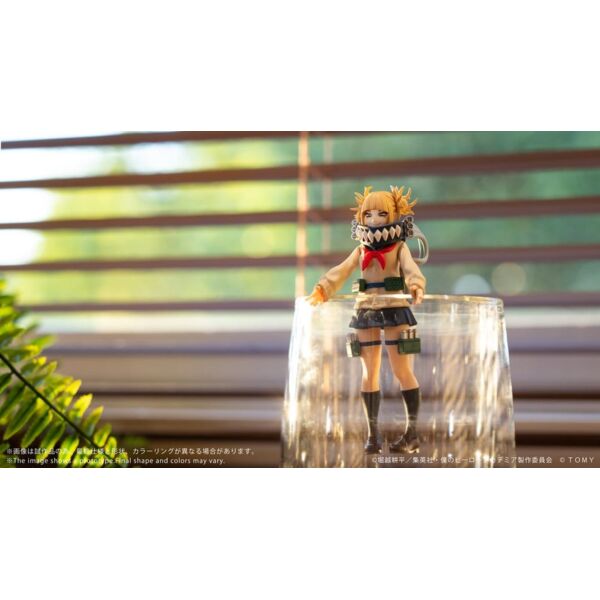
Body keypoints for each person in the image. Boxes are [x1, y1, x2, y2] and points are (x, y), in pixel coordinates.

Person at [307, 186, 428, 454]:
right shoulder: (361, 249)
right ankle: (373, 434)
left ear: (393, 215)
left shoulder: (399, 247)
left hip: (395, 308)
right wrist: (323, 288)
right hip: (366, 311)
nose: (373, 219)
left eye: (381, 214)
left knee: (402, 370)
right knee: (368, 373)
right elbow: (341, 270)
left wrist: (416, 285)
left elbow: (411, 270)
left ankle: (412, 433)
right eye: (368, 214)